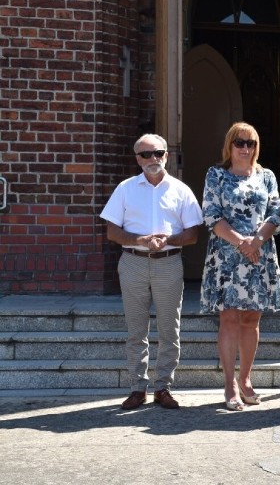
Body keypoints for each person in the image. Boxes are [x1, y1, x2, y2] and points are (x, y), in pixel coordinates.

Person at [100, 134, 202, 410]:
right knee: (136, 329)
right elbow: (111, 230)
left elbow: (193, 233)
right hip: (133, 261)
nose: (153, 159)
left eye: (158, 153)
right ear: (137, 159)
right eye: (146, 154)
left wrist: (167, 240)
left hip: (168, 262)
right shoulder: (125, 188)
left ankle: (164, 387)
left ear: (167, 155)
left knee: (170, 328)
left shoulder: (181, 190)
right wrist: (140, 240)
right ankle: (137, 388)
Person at [200, 122, 280, 411]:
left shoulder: (267, 176)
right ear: (230, 145)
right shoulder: (216, 175)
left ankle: (246, 378)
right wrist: (241, 243)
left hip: (259, 255)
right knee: (230, 319)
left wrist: (257, 241)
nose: (245, 148)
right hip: (227, 258)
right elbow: (211, 215)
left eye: (251, 143)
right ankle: (229, 384)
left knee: (251, 320)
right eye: (240, 142)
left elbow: (275, 213)